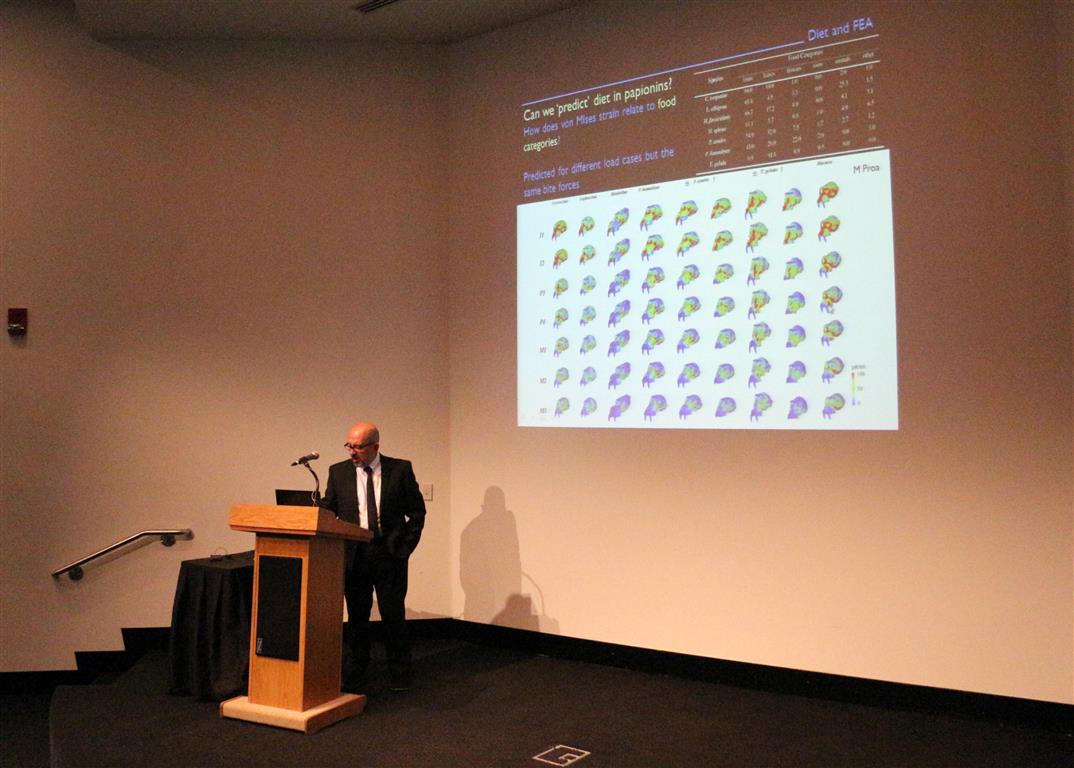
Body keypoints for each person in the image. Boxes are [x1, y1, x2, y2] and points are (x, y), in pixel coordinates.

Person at [322, 421, 426, 693]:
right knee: (357, 615)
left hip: (388, 553)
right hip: (354, 554)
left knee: (393, 613)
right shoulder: (338, 472)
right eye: (349, 446)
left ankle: (399, 670)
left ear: (375, 446)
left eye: (358, 447)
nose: (352, 452)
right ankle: (357, 667)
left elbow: (417, 512)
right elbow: (329, 510)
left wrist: (405, 548)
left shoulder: (400, 470)